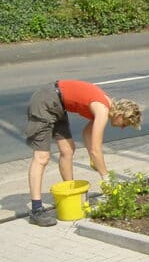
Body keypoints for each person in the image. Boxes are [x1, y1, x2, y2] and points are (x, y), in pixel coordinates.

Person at [25, 80, 142, 227]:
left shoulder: (105, 105)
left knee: (68, 150)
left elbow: (87, 134)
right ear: (120, 115)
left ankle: (70, 194)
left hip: (59, 105)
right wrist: (106, 178)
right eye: (125, 124)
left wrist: (93, 159)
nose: (123, 128)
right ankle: (36, 210)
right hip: (46, 101)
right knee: (42, 157)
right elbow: (96, 149)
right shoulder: (103, 110)